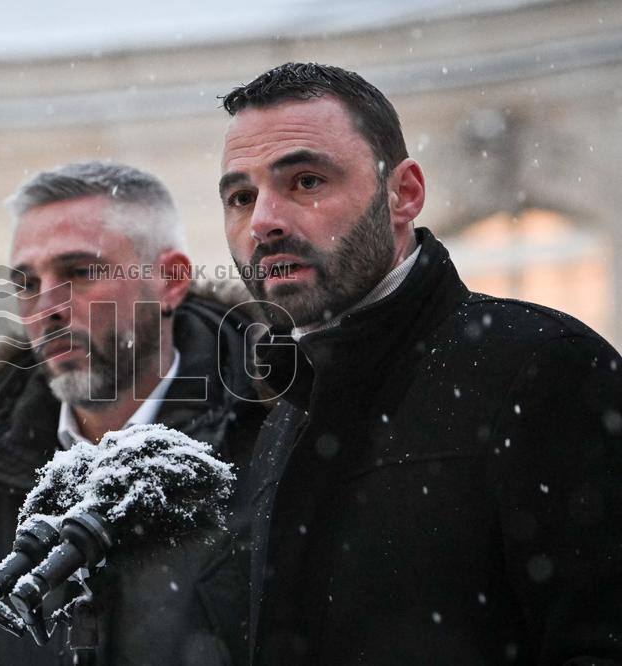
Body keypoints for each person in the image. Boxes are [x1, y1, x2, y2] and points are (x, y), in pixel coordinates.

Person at [218, 62, 622, 665]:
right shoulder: (281, 408)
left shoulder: (543, 367)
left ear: (403, 193)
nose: (263, 221)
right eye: (241, 196)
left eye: (305, 181)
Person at [0, 161, 267, 665]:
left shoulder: (272, 461)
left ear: (171, 280)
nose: (47, 307)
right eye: (27, 283)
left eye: (80, 272)